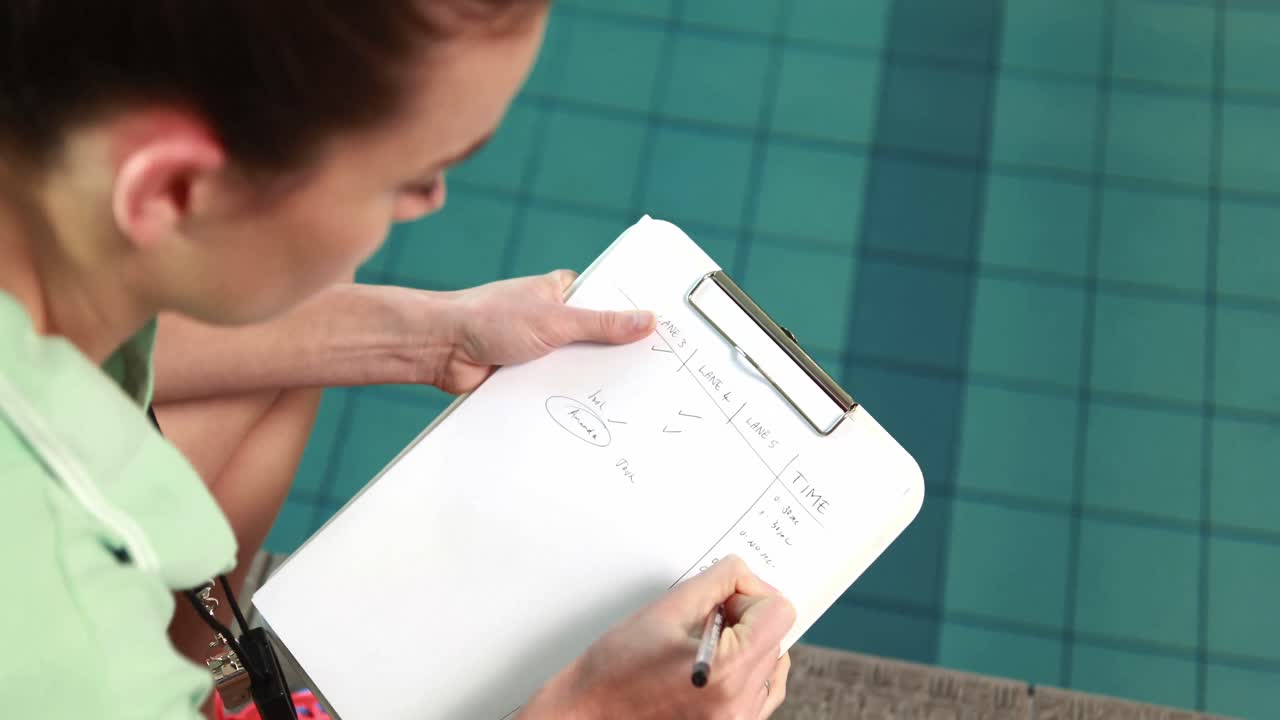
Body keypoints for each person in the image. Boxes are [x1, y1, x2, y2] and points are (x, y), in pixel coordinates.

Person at [0, 1, 795, 718]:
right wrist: (594, 711)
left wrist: (441, 335)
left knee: (288, 343)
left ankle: (194, 680)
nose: (431, 203)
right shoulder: (64, 658)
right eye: (411, 178)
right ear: (172, 190)